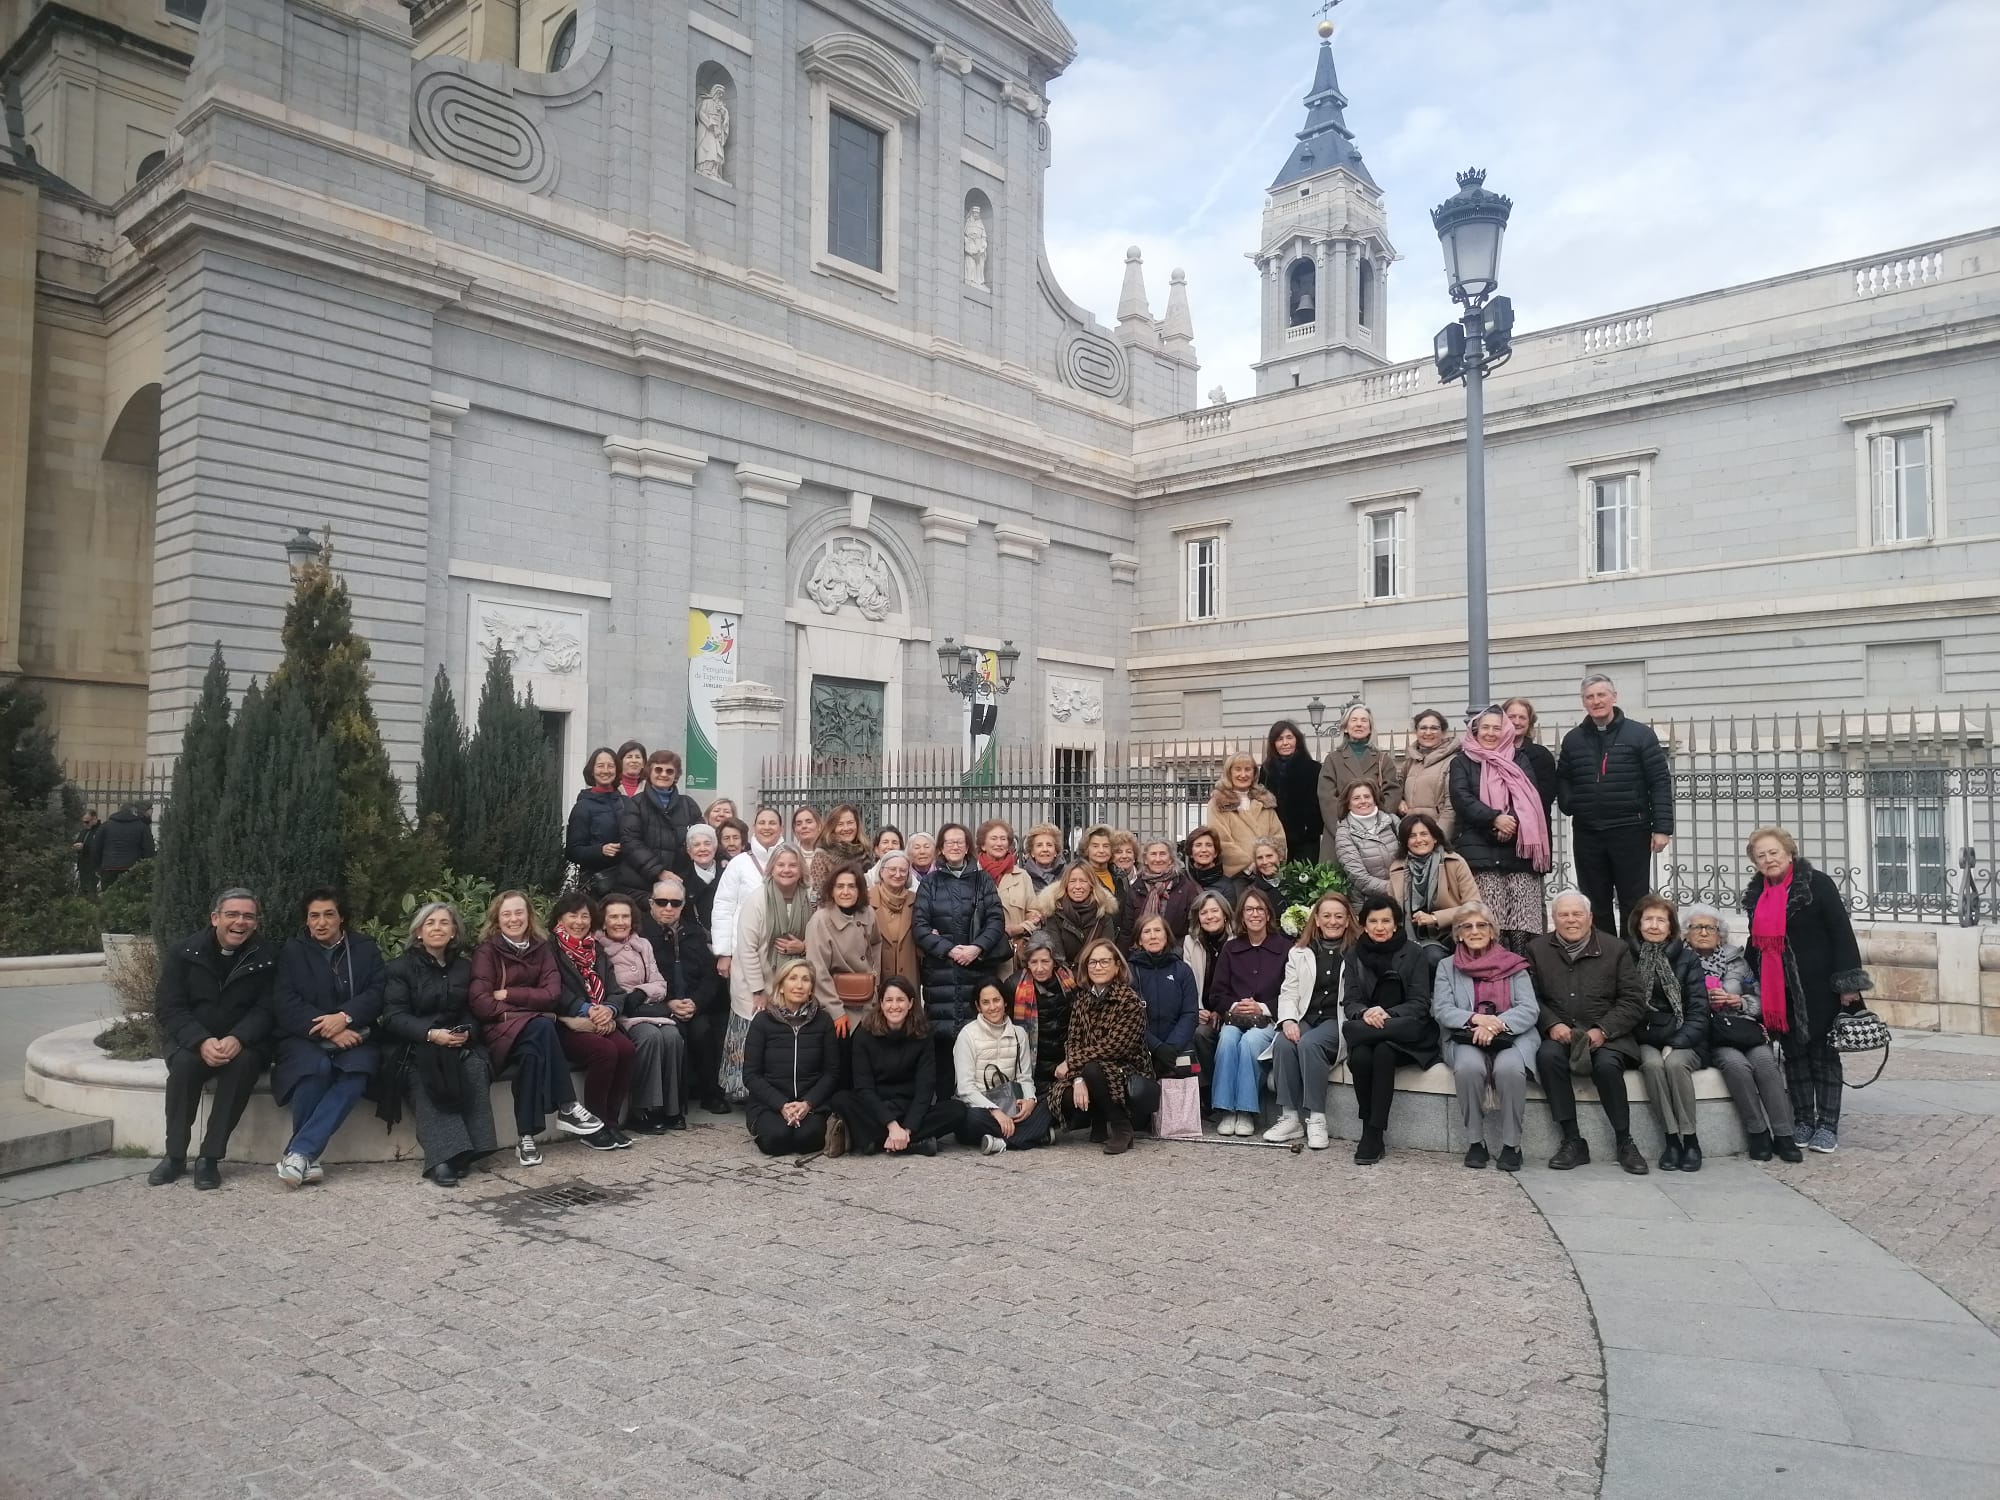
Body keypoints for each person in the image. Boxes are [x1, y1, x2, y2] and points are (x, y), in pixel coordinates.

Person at [1741, 827, 1871, 1154]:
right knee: (1794, 1055)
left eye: (1773, 852)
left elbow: (1841, 933)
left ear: (1789, 853)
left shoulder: (1816, 884)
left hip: (1819, 986)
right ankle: (1803, 1119)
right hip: (1779, 990)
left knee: (1823, 1056)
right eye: (1761, 855)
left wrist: (1848, 985)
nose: (1768, 859)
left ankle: (1827, 1124)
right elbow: (1755, 942)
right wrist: (1745, 973)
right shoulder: (1756, 894)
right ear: (1755, 862)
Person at [468, 891, 610, 1164]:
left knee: (533, 1053)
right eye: (507, 914)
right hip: (499, 1033)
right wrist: (531, 1009)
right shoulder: (487, 952)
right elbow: (482, 1005)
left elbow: (552, 995)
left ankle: (526, 1139)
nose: (514, 919)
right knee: (543, 1025)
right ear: (497, 918)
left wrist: (509, 994)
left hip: (531, 1032)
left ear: (529, 916)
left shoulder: (541, 949)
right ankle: (567, 1106)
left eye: (519, 912)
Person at [149, 888, 277, 1189]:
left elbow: (269, 1007)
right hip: (193, 1040)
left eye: (248, 916)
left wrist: (239, 1037)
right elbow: (169, 1007)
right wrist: (201, 1041)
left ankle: (209, 1158)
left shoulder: (268, 956)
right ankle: (175, 1155)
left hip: (244, 1043)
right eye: (232, 914)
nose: (240, 922)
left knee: (243, 1065)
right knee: (184, 1067)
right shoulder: (184, 953)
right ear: (215, 918)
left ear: (256, 923)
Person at [266, 888, 385, 1187]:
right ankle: (309, 1156)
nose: (321, 922)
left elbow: (378, 991)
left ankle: (299, 1152)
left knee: (357, 1072)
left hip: (356, 1033)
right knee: (313, 1069)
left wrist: (344, 1018)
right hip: (303, 1036)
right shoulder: (292, 951)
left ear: (341, 917)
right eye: (314, 916)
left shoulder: (365, 948)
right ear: (306, 921)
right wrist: (327, 1028)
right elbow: (284, 1000)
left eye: (329, 914)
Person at [1528, 892, 1650, 1174]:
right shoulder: (1537, 949)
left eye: (1577, 914)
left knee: (1607, 1066)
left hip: (1608, 1034)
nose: (1571, 920)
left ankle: (1625, 1141)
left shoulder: (1616, 948)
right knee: (1547, 1058)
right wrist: (1550, 1024)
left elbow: (1633, 1000)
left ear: (1590, 918)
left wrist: (1604, 1029)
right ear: (1554, 919)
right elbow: (1530, 996)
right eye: (1563, 915)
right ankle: (1572, 1140)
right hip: (1560, 1033)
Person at [377, 902, 496, 1187]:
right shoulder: (399, 968)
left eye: (444, 923)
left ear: (454, 931)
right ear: (418, 932)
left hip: (454, 1042)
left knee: (476, 1066)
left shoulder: (464, 968)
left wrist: (466, 1031)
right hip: (413, 1046)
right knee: (425, 1074)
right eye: (430, 923)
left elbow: (471, 1009)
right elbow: (393, 1017)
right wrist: (431, 1034)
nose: (437, 928)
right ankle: (444, 1156)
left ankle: (471, 1150)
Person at [1556, 674, 1674, 936]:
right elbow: (1563, 776)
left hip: (1631, 829)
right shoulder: (1573, 739)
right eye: (1590, 697)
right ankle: (1605, 957)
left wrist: (1662, 828)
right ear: (1583, 702)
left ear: (1614, 697)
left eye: (1601, 695)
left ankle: (1633, 960)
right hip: (1588, 832)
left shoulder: (1640, 735)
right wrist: (1569, 803)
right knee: (1594, 902)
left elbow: (1659, 782)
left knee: (1633, 901)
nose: (1596, 701)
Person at [1683, 903, 1801, 1163]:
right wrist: (1704, 1002)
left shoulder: (1737, 960)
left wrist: (1740, 1002)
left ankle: (1783, 1135)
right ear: (1686, 933)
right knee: (1736, 1065)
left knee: (1766, 1063)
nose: (1703, 932)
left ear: (1720, 933)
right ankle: (1758, 1132)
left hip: (1744, 1027)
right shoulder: (1681, 962)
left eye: (1710, 928)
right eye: (1697, 927)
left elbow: (1759, 998)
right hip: (1713, 1032)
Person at [1431, 904, 1538, 1172]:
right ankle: (1476, 1142)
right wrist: (1477, 1020)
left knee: (1510, 1069)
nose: (1475, 931)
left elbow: (1529, 1008)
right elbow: (1441, 1008)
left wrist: (1496, 1025)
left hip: (1511, 1035)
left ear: (1493, 932)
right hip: (1465, 1035)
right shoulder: (1447, 966)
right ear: (1458, 934)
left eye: (1482, 925)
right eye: (1467, 926)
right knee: (1468, 1068)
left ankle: (1512, 1145)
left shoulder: (1513, 964)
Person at [1340, 896, 1440, 1165]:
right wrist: (1365, 1012)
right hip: (1369, 1024)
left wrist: (1389, 1013)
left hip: (1404, 1031)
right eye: (1373, 921)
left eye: (1386, 921)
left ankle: (1373, 1133)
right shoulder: (1354, 954)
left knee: (1383, 1051)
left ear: (1396, 924)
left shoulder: (1414, 952)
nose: (1379, 926)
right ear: (1364, 925)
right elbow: (1350, 1000)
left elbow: (1420, 1002)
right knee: (1360, 1056)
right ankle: (1369, 1127)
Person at [1452, 707, 1555, 956]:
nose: (1490, 733)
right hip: (1479, 848)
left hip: (1518, 849)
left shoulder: (1519, 759)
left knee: (1522, 917)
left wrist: (1512, 823)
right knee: (1489, 916)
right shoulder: (1462, 761)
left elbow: (1531, 799)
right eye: (1485, 727)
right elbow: (1462, 798)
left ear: (1505, 730)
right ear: (1475, 730)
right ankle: (1492, 968)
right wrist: (1494, 820)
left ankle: (1521, 969)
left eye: (1496, 728)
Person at [825, 978, 964, 1157]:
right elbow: (864, 1088)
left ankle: (876, 1141)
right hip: (876, 1107)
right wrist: (891, 1125)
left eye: (900, 1000)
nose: (894, 1006)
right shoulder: (864, 1035)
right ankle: (914, 1144)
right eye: (889, 1000)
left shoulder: (923, 1034)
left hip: (909, 1107)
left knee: (957, 1110)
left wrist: (907, 1129)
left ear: (911, 1003)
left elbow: (925, 1088)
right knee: (841, 1099)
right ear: (881, 1003)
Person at [1265, 892, 1357, 1150]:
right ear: (1316, 919)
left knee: (1309, 1044)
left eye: (1339, 916)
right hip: (1307, 1016)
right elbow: (1289, 991)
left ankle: (1317, 1119)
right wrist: (1288, 1020)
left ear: (1348, 920)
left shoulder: (1356, 951)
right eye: (1326, 916)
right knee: (1283, 1043)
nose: (1333, 921)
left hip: (1336, 1019)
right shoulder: (1300, 952)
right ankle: (1290, 1118)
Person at [1627, 895, 1712, 1172]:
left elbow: (1699, 1010)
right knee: (1652, 1065)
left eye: (1660, 920)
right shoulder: (1625, 957)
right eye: (1648, 919)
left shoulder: (1688, 959)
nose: (1654, 925)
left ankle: (1690, 1139)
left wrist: (1677, 1041)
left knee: (1675, 1065)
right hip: (1642, 1035)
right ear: (1638, 924)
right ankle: (1671, 1140)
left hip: (1684, 1034)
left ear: (1671, 927)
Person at [913, 824, 1006, 1073]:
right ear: (941, 849)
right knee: (942, 1043)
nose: (955, 846)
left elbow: (996, 921)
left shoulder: (983, 880)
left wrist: (976, 948)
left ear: (967, 848)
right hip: (941, 972)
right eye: (949, 842)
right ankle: (945, 1103)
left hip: (977, 969)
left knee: (978, 1041)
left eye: (960, 842)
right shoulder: (930, 883)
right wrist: (950, 950)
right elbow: (920, 927)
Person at [548, 893, 638, 1146]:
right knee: (605, 1051)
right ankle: (593, 1127)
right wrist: (585, 1009)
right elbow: (554, 990)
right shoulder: (550, 948)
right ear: (559, 918)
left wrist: (608, 1009)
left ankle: (611, 1122)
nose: (579, 921)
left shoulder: (595, 949)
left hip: (600, 1019)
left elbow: (616, 990)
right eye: (572, 915)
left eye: (585, 916)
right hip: (566, 1024)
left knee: (627, 1049)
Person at [1049, 940, 1155, 1154]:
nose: (1098, 967)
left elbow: (1114, 1047)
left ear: (1117, 966)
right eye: (1093, 962)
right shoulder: (1081, 1001)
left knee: (1095, 1069)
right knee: (1067, 1094)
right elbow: (1073, 1040)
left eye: (1104, 962)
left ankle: (1122, 1128)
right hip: (1089, 1068)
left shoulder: (1129, 1001)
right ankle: (1098, 1118)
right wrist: (1078, 1077)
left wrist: (1072, 1062)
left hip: (1127, 1069)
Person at [726, 847, 813, 1099]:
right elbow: (747, 948)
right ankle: (744, 1092)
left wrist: (803, 946)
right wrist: (759, 991)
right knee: (752, 1036)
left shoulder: (809, 899)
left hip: (793, 981)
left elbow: (817, 936)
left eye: (792, 865)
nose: (786, 870)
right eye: (781, 865)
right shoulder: (757, 900)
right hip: (756, 980)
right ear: (771, 868)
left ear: (800, 870)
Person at [598, 892, 687, 1134]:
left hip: (646, 1007)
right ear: (603, 921)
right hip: (620, 1013)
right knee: (649, 1037)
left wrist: (640, 991)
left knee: (672, 1036)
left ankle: (671, 1109)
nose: (620, 922)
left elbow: (660, 983)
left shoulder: (643, 944)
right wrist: (626, 998)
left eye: (624, 916)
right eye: (613, 917)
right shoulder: (598, 948)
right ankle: (642, 1110)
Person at [641, 875, 726, 1116]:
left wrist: (696, 1003)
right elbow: (642, 979)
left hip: (693, 1002)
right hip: (660, 1004)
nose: (668, 908)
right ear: (651, 903)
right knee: (674, 1034)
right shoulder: (641, 935)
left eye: (675, 903)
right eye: (662, 902)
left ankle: (711, 1094)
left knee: (703, 1030)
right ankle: (673, 1104)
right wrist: (669, 1003)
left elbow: (711, 976)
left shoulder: (694, 933)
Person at [1209, 886, 1289, 1136]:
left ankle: (1245, 1111)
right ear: (1241, 916)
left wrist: (1262, 1007)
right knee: (1228, 1038)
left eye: (1259, 909)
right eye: (1249, 909)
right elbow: (1216, 994)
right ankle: (1226, 1110)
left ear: (1268, 915)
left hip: (1267, 1022)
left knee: (1250, 1041)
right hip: (1236, 1019)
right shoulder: (1231, 949)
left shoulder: (1285, 948)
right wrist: (1236, 1005)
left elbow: (1292, 994)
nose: (1254, 914)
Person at [742, 958, 839, 1155]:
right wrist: (781, 1105)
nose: (799, 985)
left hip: (810, 1103)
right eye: (792, 978)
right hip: (770, 1103)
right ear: (782, 986)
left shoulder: (823, 1021)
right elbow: (751, 1075)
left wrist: (807, 1103)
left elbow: (832, 1073)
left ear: (811, 988)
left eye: (805, 980)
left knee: (808, 1140)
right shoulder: (762, 1022)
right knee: (776, 1140)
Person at [956, 980, 1052, 1153]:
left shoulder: (1019, 1033)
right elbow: (965, 1088)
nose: (992, 1007)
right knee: (970, 1118)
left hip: (1011, 1103)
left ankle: (1001, 1143)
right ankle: (1034, 1135)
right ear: (978, 1006)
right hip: (981, 1108)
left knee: (1048, 1103)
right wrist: (995, 1111)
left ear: (1005, 1002)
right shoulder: (967, 1035)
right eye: (985, 1002)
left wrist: (1030, 1100)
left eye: (996, 1000)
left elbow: (1024, 1077)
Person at [711, 805, 786, 987]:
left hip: (783, 952)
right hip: (744, 951)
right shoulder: (739, 863)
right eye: (762, 822)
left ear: (781, 829)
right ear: (754, 827)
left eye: (772, 823)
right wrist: (724, 952)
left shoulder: (790, 861)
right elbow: (723, 907)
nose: (766, 827)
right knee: (747, 1008)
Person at [1315, 703, 1402, 860]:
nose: (1359, 724)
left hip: (1376, 838)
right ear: (1346, 727)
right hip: (1340, 835)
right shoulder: (1333, 760)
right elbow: (1327, 797)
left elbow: (1393, 793)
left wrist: (1375, 825)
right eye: (1354, 720)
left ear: (1370, 727)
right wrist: (1344, 831)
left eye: (1364, 720)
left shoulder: (1384, 760)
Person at [617, 749, 704, 896]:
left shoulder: (688, 805)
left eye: (669, 771)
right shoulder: (636, 804)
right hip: (641, 885)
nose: (663, 774)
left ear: (676, 775)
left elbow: (703, 837)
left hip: (680, 884)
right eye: (658, 769)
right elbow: (631, 842)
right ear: (649, 772)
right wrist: (658, 871)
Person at [806, 865, 879, 1033]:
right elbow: (818, 970)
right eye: (840, 886)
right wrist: (835, 1011)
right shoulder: (820, 921)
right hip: (838, 1004)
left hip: (868, 1002)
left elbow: (875, 946)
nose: (845, 892)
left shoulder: (868, 912)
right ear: (831, 890)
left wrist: (875, 981)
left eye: (851, 886)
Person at [1389, 813, 1481, 942]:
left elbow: (1474, 905)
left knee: (1432, 955)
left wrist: (1435, 918)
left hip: (1450, 933)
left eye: (1424, 834)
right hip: (1410, 935)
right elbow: (1391, 911)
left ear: (1435, 838)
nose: (1419, 840)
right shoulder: (1397, 868)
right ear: (1405, 842)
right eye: (1412, 836)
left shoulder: (1454, 862)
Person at [1128, 914, 1199, 1075]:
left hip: (1176, 1050)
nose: (1153, 936)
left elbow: (1190, 1013)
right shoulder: (1128, 972)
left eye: (1158, 930)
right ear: (1139, 939)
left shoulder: (1182, 970)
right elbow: (1127, 1018)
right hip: (1140, 1050)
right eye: (1146, 931)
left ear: (1166, 936)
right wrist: (1157, 1047)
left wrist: (1172, 1047)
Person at [1182, 889, 1233, 1106]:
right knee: (1199, 1033)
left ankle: (1218, 1096)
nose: (1210, 916)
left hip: (1230, 1011)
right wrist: (1197, 1010)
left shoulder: (1237, 941)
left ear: (1225, 914)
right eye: (1204, 912)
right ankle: (1207, 1094)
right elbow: (1188, 983)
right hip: (1203, 1011)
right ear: (1198, 917)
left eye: (1215, 911)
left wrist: (1221, 1012)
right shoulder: (1190, 942)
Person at [1011, 931, 1074, 1091]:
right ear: (1027, 963)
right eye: (1034, 962)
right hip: (1033, 1069)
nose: (1039, 968)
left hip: (1067, 1064)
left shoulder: (1070, 983)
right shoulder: (1014, 986)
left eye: (1045, 961)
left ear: (1054, 961)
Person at [1259, 718, 1323, 873]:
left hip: (1306, 839)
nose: (1285, 743)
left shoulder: (1313, 769)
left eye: (1289, 738)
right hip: (1277, 839)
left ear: (1297, 740)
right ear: (1273, 743)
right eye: (1280, 739)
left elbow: (1321, 801)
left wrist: (1312, 828)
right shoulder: (1266, 771)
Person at [1207, 753, 1287, 877]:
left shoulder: (1264, 801)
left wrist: (1266, 862)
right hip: (1238, 876)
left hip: (1268, 872)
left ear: (1254, 773)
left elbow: (1278, 837)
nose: (1243, 775)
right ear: (1229, 773)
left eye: (1248, 769)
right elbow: (1221, 840)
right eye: (1238, 769)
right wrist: (1250, 864)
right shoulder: (1218, 803)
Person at [977, 818, 1040, 972]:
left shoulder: (1022, 876)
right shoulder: (973, 875)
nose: (999, 843)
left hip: (1012, 957)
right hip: (980, 955)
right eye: (994, 838)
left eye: (1003, 839)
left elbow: (1035, 914)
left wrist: (1018, 929)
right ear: (983, 845)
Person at [564, 746, 624, 894]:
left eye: (610, 766)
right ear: (592, 770)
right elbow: (572, 851)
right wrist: (600, 850)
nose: (605, 770)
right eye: (600, 766)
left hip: (627, 882)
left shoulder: (627, 803)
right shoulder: (583, 806)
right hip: (597, 885)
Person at [1036, 861, 1117, 968]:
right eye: (1072, 881)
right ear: (1065, 885)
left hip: (1095, 973)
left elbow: (1107, 953)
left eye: (1083, 881)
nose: (1077, 886)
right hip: (1065, 978)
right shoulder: (1054, 914)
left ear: (1091, 885)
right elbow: (1056, 955)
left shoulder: (1103, 916)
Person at [1121, 839, 1197, 945]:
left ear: (1170, 859)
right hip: (1141, 954)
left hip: (1176, 953)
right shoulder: (1136, 888)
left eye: (1162, 854)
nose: (1157, 859)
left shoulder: (1185, 887)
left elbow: (1193, 927)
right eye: (1153, 854)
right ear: (1146, 860)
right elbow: (1127, 930)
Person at [1399, 710, 1459, 842]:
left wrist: (1439, 839)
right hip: (1413, 836)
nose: (1428, 732)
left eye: (1434, 728)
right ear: (1416, 731)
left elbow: (1451, 808)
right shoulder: (1410, 763)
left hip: (1436, 836)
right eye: (1423, 728)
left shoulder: (1453, 761)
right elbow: (1398, 790)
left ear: (1443, 732)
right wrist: (1400, 801)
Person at [1333, 782, 1398, 900]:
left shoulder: (1392, 821)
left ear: (1375, 799)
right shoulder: (1344, 833)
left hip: (1405, 896)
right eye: (1356, 798)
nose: (1363, 801)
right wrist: (1395, 889)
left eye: (1367, 796)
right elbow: (1359, 878)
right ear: (1348, 804)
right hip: (1370, 902)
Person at [868, 850, 921, 991]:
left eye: (903, 870)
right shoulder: (865, 901)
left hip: (909, 974)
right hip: (876, 975)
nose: (898, 874)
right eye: (892, 869)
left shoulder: (917, 901)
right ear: (881, 872)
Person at [812, 803, 870, 902]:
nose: (846, 828)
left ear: (857, 824)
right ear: (832, 827)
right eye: (840, 824)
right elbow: (820, 893)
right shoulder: (822, 855)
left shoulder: (866, 852)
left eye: (850, 822)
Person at [94, 801, 154, 887]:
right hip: (133, 868)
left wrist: (99, 867)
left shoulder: (105, 826)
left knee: (108, 896)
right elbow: (149, 849)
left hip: (109, 867)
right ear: (134, 812)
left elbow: (96, 848)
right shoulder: (142, 826)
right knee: (130, 897)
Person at [681, 823, 723, 934]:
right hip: (695, 941)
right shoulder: (682, 881)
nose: (702, 849)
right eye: (696, 845)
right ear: (689, 852)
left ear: (715, 848)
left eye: (707, 844)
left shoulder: (728, 874)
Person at [1182, 825, 1233, 894]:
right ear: (1191, 852)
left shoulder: (1226, 886)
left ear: (1215, 852)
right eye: (1198, 845)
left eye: (1209, 845)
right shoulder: (1181, 881)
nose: (1204, 850)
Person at [1238, 839, 1286, 912]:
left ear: (1280, 857)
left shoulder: (1296, 881)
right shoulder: (1252, 890)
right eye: (1260, 858)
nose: (1265, 862)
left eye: (1269, 856)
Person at [1019, 822, 1065, 893]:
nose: (1045, 849)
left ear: (1056, 851)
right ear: (1032, 852)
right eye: (1039, 845)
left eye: (1049, 845)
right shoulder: (1022, 877)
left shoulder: (1067, 875)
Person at [71, 808, 100, 895]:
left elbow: (99, 847)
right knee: (84, 891)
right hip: (83, 866)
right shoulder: (84, 831)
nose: (85, 824)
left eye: (87, 822)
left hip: (94, 867)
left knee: (93, 892)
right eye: (83, 822)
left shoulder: (100, 831)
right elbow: (77, 842)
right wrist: (75, 846)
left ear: (94, 818)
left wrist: (85, 847)